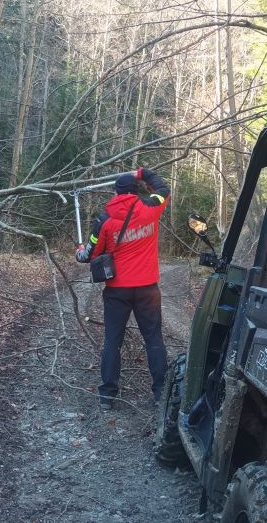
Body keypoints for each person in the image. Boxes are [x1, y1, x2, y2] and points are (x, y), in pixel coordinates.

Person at [76, 168, 170, 410]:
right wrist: (142, 172)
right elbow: (163, 188)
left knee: (112, 341)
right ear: (137, 190)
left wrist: (80, 251)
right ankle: (161, 393)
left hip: (117, 290)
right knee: (153, 339)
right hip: (147, 289)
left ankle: (107, 396)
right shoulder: (151, 206)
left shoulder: (104, 218)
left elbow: (90, 254)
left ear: (116, 192)